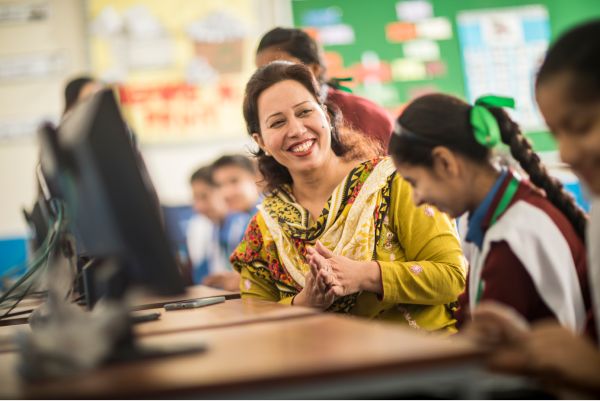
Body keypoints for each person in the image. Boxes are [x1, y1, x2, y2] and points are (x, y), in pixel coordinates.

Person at [230, 61, 466, 334]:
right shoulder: (264, 229)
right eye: (278, 122)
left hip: (425, 364)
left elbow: (453, 277)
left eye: (305, 111)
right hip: (328, 373)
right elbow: (253, 321)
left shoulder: (394, 183)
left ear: (327, 116)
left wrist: (364, 275)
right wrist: (305, 301)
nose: (296, 130)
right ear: (261, 143)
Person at [455, 20, 600, 397]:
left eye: (581, 126)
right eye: (556, 133)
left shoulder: (514, 229)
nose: (565, 153)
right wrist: (532, 345)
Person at [388, 93, 590, 332]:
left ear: (445, 162)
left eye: (414, 182)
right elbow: (470, 311)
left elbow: (486, 343)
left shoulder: (510, 239)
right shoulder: (491, 213)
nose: (416, 199)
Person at [256, 27, 394, 150]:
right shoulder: (266, 123)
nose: (272, 81)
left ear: (315, 68)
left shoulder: (366, 114)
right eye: (264, 73)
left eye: (282, 69)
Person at [187, 165, 248, 290]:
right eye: (195, 198)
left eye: (204, 196)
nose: (197, 207)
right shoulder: (215, 227)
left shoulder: (244, 224)